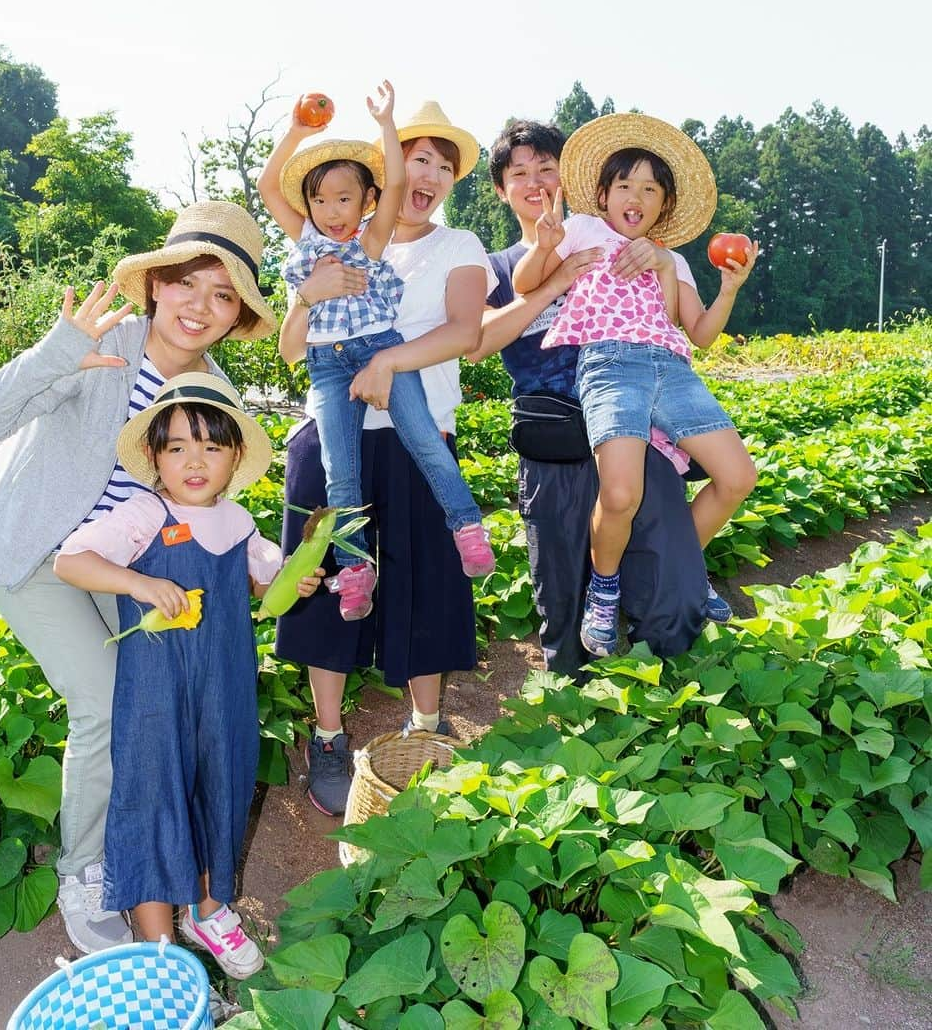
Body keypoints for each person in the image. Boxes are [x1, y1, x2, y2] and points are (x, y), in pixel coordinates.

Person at [0, 202, 277, 953]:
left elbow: (208, 496)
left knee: (158, 703)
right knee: (104, 702)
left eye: (223, 295)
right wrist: (58, 351)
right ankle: (85, 873)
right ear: (156, 285)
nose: (201, 307)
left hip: (114, 563)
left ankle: (164, 873)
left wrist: (263, 572)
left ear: (236, 316)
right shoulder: (103, 345)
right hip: (34, 551)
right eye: (189, 284)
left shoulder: (211, 387)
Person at [53, 374, 320, 977]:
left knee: (218, 788)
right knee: (153, 794)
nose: (194, 462)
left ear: (234, 459)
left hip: (224, 691)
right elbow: (73, 561)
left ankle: (208, 908)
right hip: (155, 693)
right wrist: (140, 582)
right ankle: (158, 951)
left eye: (211, 448)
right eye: (177, 447)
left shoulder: (241, 523)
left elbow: (264, 585)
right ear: (154, 458)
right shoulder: (145, 512)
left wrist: (295, 581)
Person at [274, 100, 497, 816]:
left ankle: (426, 728)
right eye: (414, 156)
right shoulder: (322, 240)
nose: (423, 173)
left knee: (426, 585)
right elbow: (288, 347)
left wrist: (388, 365)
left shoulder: (452, 244)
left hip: (416, 426)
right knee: (328, 583)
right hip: (333, 424)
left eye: (441, 161)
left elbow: (467, 331)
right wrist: (305, 299)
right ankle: (330, 736)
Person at [470, 119, 717, 678]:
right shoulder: (499, 267)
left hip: (637, 433)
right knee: (562, 594)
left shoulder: (628, 249)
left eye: (546, 169)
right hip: (555, 443)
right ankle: (576, 710)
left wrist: (659, 266)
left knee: (668, 580)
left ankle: (659, 694)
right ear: (500, 189)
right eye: (519, 173)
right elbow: (479, 343)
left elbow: (674, 338)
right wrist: (554, 282)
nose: (535, 183)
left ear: (572, 180)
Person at [512, 113, 758, 657]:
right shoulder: (580, 230)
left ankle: (685, 568)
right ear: (602, 195)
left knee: (738, 477)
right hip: (610, 367)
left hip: (670, 369)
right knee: (621, 493)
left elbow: (699, 334)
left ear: (663, 205)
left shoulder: (674, 257)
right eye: (625, 184)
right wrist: (545, 245)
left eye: (650, 189)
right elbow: (525, 283)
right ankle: (605, 591)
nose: (636, 196)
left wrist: (727, 288)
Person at [258, 83, 493, 621]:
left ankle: (466, 524)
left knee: (426, 440)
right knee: (340, 470)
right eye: (320, 200)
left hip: (379, 348)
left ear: (365, 201)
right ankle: (354, 567)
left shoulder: (371, 241)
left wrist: (388, 126)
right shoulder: (306, 243)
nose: (332, 210)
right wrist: (297, 131)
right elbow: (269, 187)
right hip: (327, 368)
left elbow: (392, 186)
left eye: (345, 199)